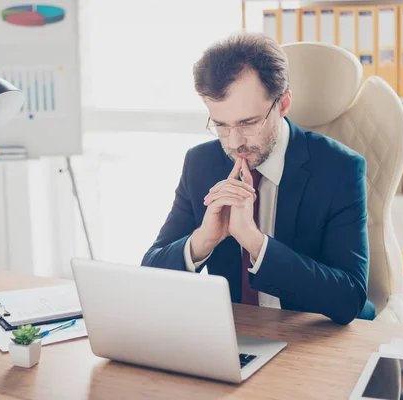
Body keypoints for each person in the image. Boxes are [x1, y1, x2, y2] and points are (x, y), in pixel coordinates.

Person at [141, 33, 375, 325]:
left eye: (248, 123)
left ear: (283, 103)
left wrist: (255, 243)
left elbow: (350, 297)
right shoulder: (201, 163)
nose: (235, 142)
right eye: (221, 125)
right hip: (236, 335)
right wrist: (203, 240)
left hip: (313, 335)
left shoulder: (339, 168)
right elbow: (149, 273)